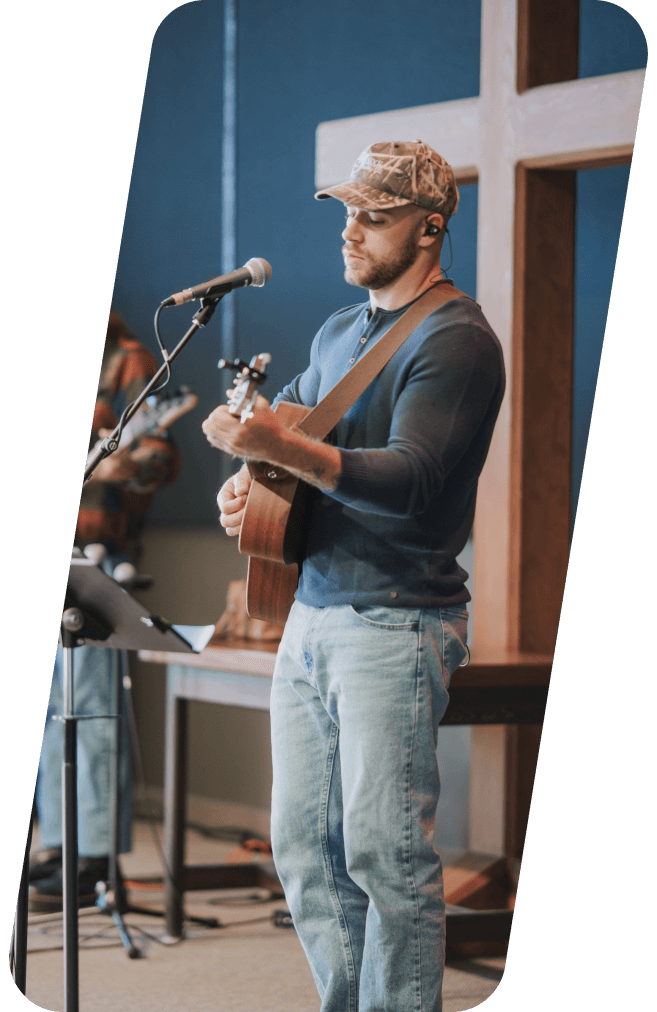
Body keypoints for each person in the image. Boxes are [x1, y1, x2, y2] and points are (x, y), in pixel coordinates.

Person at [202, 141, 505, 1012]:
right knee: (302, 850)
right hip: (310, 615)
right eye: (345, 210)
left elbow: (411, 483)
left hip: (397, 623)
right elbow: (290, 425)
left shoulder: (458, 340)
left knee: (385, 856)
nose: (351, 230)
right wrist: (243, 486)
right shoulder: (338, 332)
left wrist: (276, 447)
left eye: (374, 215)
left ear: (430, 227)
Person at [30, 309, 181, 912]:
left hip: (98, 554)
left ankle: (92, 854)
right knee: (51, 714)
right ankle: (58, 843)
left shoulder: (128, 358)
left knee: (88, 707)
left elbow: (161, 456)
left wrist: (121, 462)